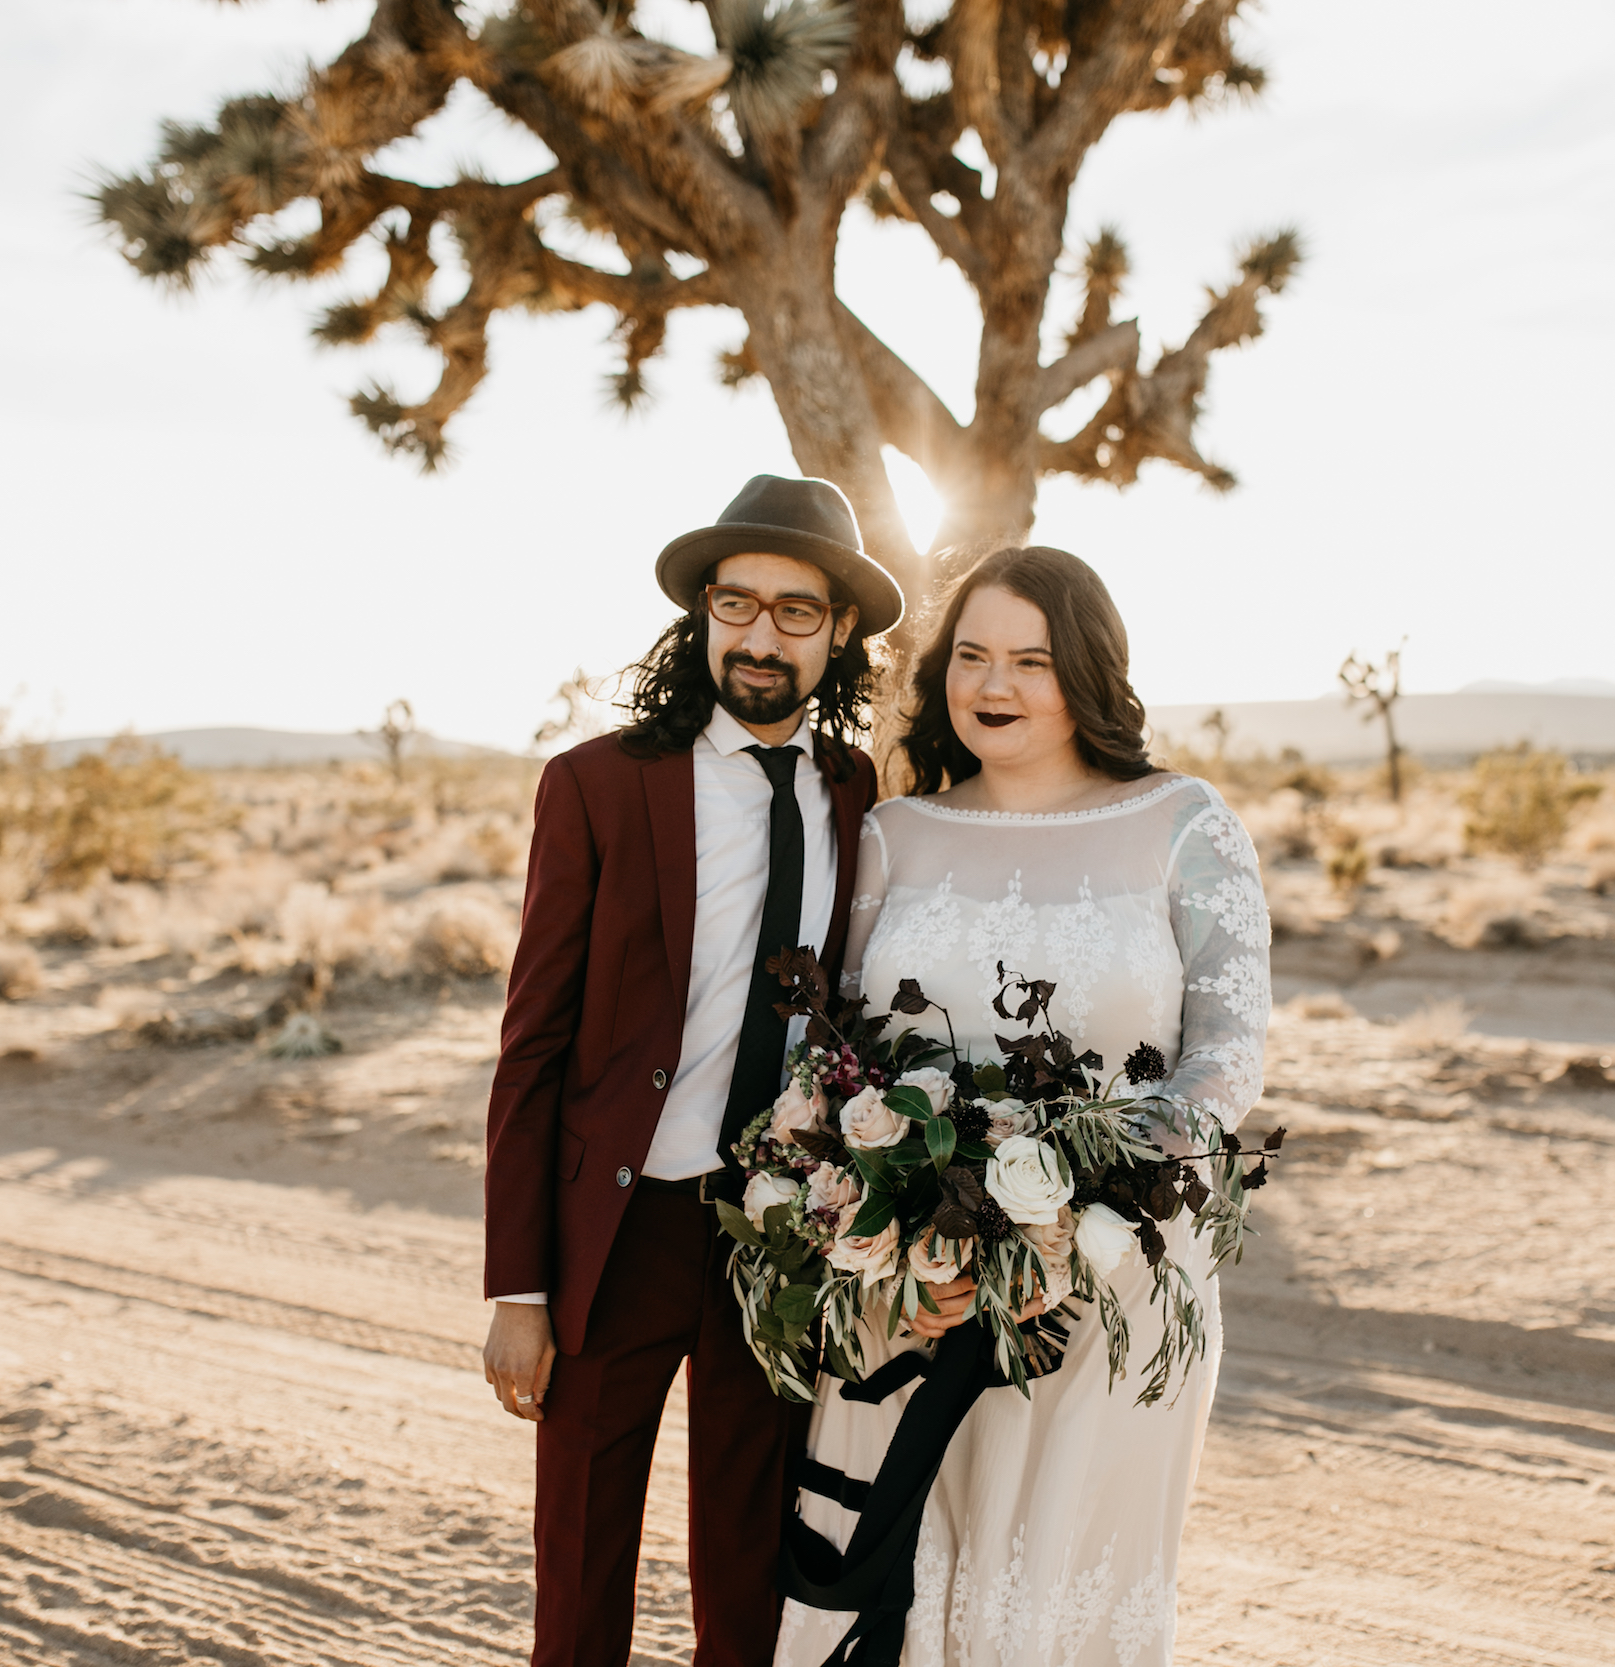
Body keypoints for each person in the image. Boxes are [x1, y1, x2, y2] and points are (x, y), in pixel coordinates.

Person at [774, 546, 1271, 1667]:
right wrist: (896, 1222)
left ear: (1087, 672)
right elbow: (840, 1056)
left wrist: (1074, 1211)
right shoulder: (898, 834)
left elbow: (1227, 1055)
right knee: (894, 1570)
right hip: (912, 1286)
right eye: (972, 655)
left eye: (1031, 660)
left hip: (1114, 1273)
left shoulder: (1187, 823)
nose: (993, 683)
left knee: (1055, 1587)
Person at [482, 475, 906, 1667]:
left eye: (795, 611)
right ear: (702, 617)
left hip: (776, 1232)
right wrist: (517, 1286)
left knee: (750, 1550)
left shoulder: (856, 792)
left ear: (837, 635)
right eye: (738, 604)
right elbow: (533, 1045)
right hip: (621, 1227)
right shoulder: (599, 785)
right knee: (579, 1551)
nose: (761, 635)